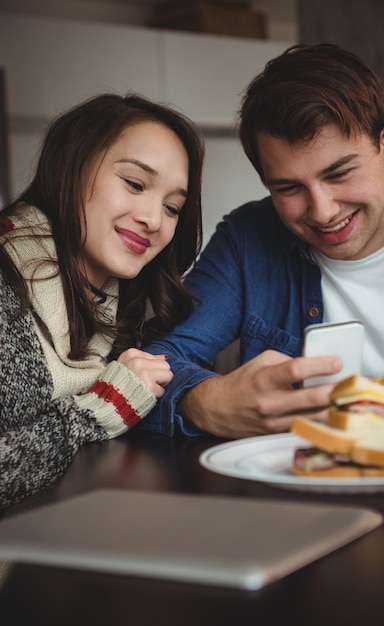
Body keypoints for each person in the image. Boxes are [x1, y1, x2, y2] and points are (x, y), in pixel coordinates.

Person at [142, 42, 384, 440]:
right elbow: (154, 362)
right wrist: (206, 400)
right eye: (288, 188)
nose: (322, 211)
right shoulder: (247, 238)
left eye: (339, 173)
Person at [0, 93, 204, 508]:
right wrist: (97, 411)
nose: (153, 220)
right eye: (134, 184)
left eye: (172, 207)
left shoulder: (126, 301)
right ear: (72, 166)